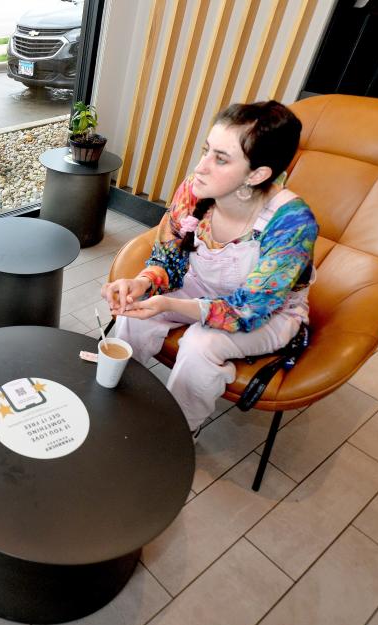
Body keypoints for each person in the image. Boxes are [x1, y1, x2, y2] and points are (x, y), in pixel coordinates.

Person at [101, 100, 318, 438]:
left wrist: (171, 304)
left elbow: (251, 310)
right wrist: (143, 283)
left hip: (268, 313)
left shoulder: (291, 222)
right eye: (206, 151)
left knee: (201, 346)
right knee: (134, 315)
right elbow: (168, 260)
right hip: (200, 287)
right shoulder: (194, 190)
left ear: (258, 174)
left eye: (220, 159)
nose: (200, 167)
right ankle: (116, 398)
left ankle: (176, 434)